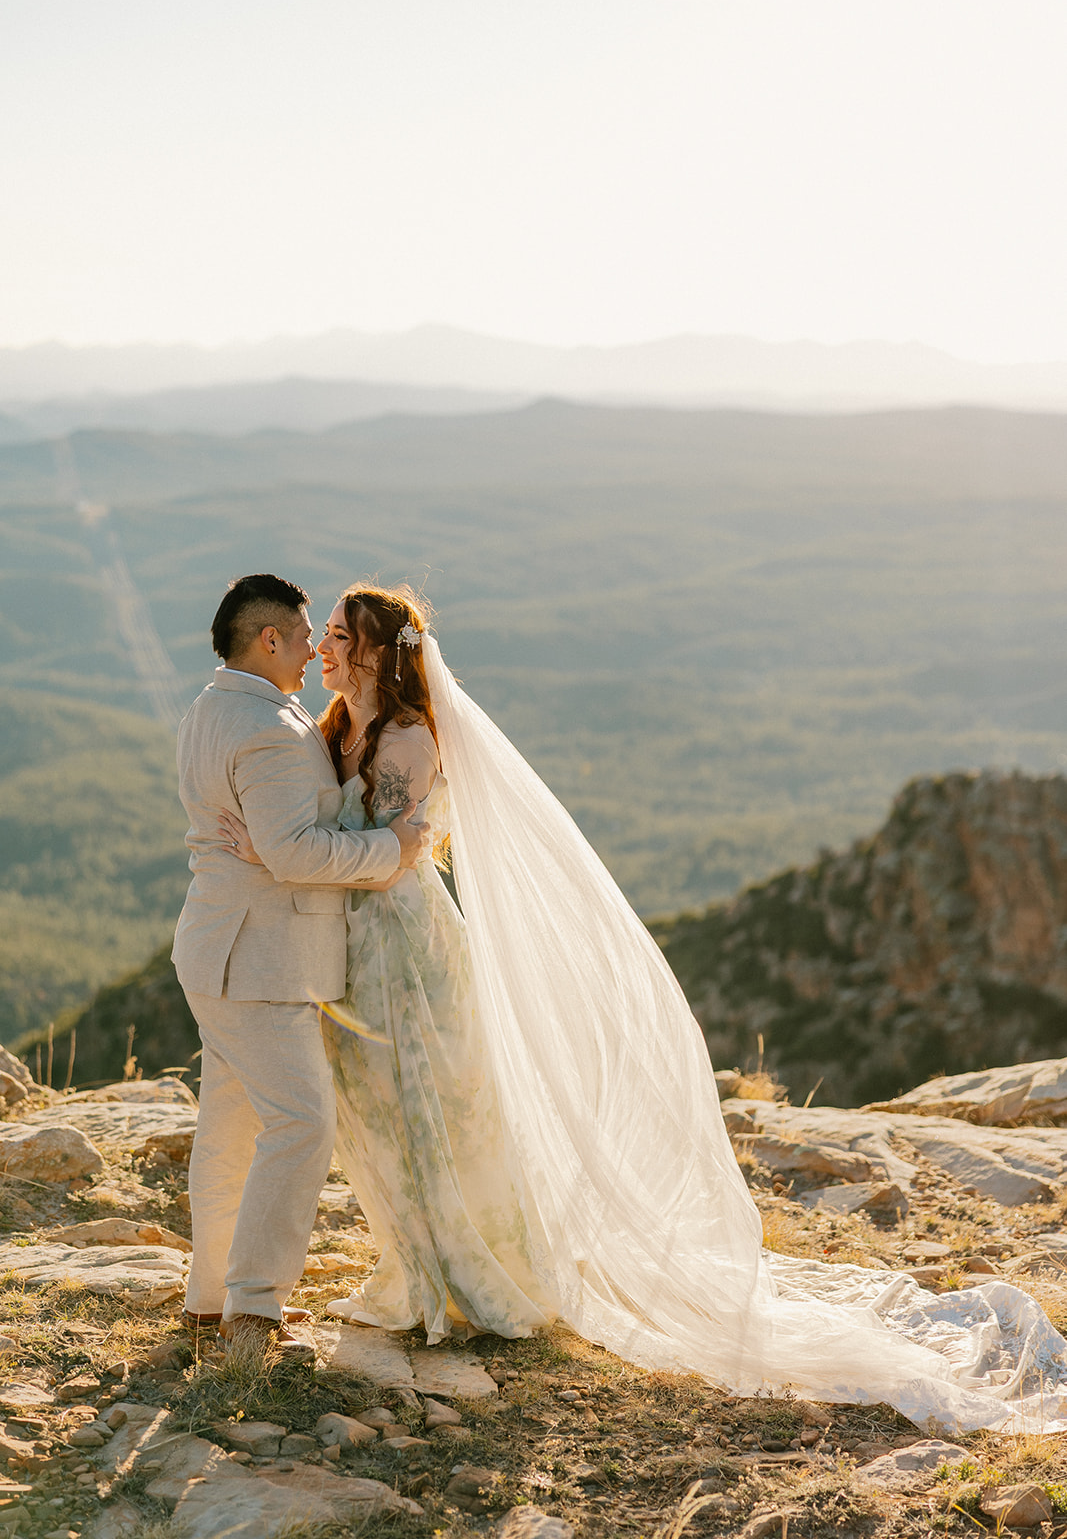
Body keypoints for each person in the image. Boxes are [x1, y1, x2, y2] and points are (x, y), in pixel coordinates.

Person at [223, 582, 1067, 1431]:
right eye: (320, 633)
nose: (322, 646)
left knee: (431, 1107)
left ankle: (465, 1278)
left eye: (337, 634)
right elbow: (330, 831)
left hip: (403, 950)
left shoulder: (407, 737)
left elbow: (397, 858)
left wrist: (344, 846)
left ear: (378, 651)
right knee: (376, 1116)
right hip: (342, 951)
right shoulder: (335, 728)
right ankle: (409, 1263)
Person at [172, 574, 431, 1356]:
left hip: (221, 947)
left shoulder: (213, 706)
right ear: (270, 639)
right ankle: (253, 1310)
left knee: (230, 1127)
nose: (317, 645)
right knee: (301, 1124)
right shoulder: (274, 732)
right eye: (306, 632)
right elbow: (291, 852)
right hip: (261, 960)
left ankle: (211, 1299)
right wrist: (392, 849)